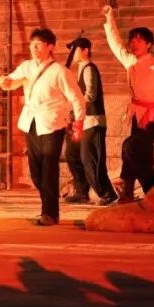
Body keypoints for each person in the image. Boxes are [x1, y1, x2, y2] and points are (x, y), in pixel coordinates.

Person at [0, 28, 85, 226]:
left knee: (49, 167)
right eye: (32, 45)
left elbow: (77, 98)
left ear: (50, 46)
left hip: (52, 123)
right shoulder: (27, 66)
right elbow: (11, 83)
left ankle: (50, 213)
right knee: (36, 171)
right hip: (31, 122)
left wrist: (78, 123)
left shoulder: (60, 71)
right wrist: (3, 81)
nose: (33, 48)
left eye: (38, 45)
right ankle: (49, 206)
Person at [103, 6, 154, 201]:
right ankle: (151, 191)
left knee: (130, 146)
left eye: (139, 40)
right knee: (143, 157)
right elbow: (115, 44)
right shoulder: (130, 61)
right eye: (132, 40)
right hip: (137, 116)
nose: (134, 44)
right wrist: (109, 18)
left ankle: (127, 183)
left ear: (149, 44)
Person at [62, 38, 117, 206]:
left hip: (92, 122)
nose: (73, 53)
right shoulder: (81, 69)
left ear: (85, 50)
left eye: (76, 49)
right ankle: (81, 192)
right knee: (72, 155)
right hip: (81, 121)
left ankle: (107, 193)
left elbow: (90, 95)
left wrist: (74, 108)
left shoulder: (89, 69)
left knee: (90, 159)